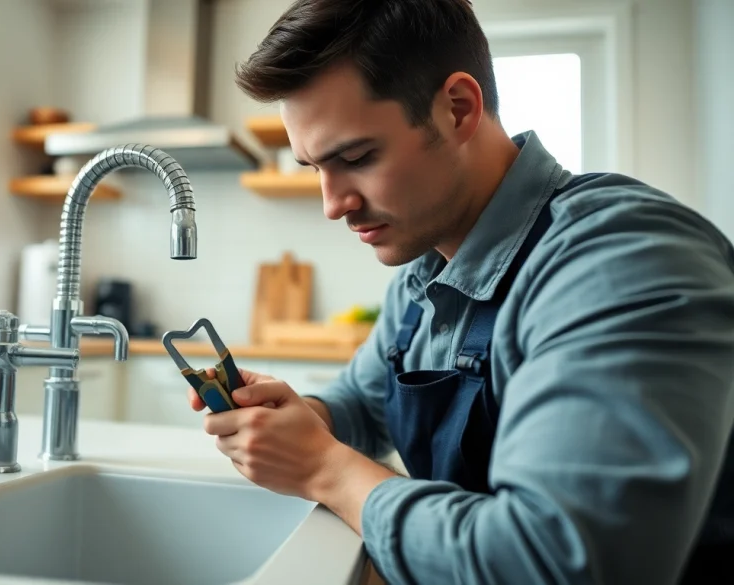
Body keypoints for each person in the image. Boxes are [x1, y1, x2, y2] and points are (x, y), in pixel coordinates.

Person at [185, 1, 734, 583]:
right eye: (314, 167)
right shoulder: (424, 272)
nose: (332, 204)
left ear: (458, 108)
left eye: (356, 157)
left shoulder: (624, 261)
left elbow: (558, 564)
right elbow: (361, 403)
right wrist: (297, 418)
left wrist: (325, 469)